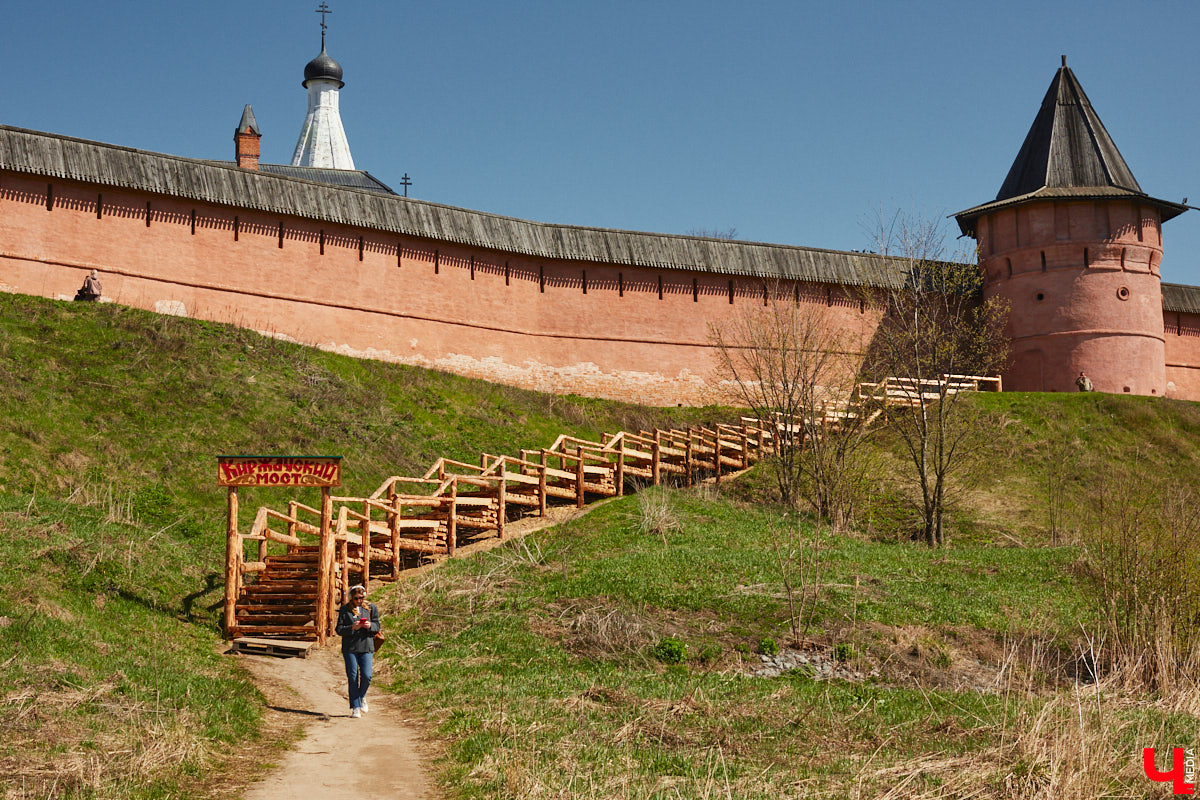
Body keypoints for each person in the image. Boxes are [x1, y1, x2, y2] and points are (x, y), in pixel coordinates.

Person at [335, 584, 379, 718]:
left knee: (367, 675)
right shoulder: (344, 610)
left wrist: (369, 625)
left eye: (361, 597)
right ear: (351, 598)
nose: (359, 600)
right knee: (352, 676)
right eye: (356, 598)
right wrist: (352, 628)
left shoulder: (371, 608)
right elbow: (339, 629)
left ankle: (362, 696)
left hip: (366, 646)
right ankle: (355, 707)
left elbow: (377, 625)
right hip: (350, 648)